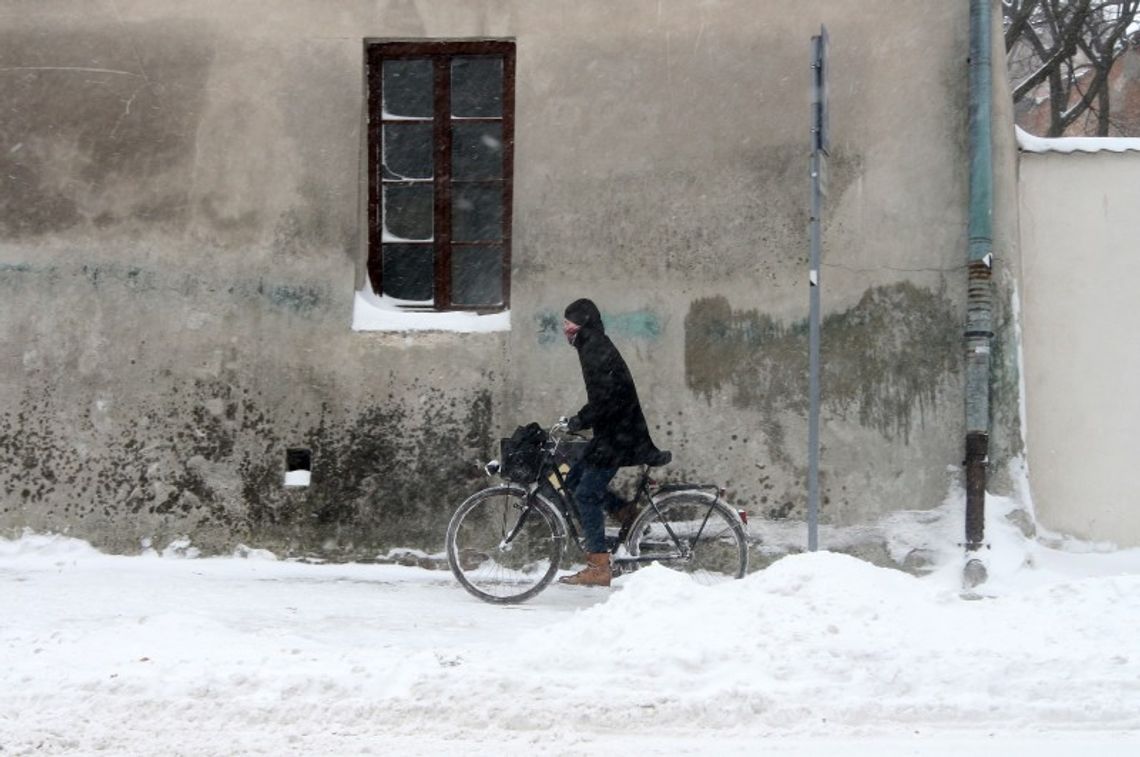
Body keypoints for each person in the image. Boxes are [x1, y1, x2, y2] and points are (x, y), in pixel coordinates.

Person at [559, 298, 667, 587]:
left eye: (568, 323)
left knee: (586, 494)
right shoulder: (593, 344)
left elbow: (606, 398)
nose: (565, 329)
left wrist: (580, 420)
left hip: (618, 435)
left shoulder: (594, 347)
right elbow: (603, 395)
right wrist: (580, 418)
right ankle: (626, 513)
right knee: (573, 480)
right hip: (615, 431)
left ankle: (598, 566)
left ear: (582, 323)